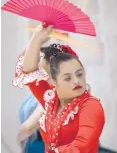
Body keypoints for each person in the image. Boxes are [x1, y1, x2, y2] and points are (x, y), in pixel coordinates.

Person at [13, 25, 105, 153]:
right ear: (53, 81)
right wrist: (37, 38)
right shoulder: (51, 99)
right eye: (67, 78)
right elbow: (28, 71)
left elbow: (83, 144)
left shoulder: (90, 106)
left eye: (79, 74)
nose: (76, 81)